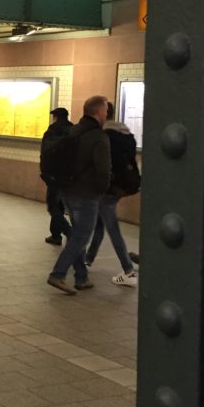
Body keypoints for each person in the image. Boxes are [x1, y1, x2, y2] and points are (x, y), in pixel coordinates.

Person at [46, 95, 111, 295]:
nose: (107, 114)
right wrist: (102, 191)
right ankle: (58, 274)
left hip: (67, 191)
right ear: (99, 112)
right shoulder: (99, 136)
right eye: (106, 111)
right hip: (86, 195)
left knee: (76, 234)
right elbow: (103, 170)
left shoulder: (73, 131)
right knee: (81, 236)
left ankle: (81, 278)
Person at [83, 101, 140, 287]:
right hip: (122, 186)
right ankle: (88, 259)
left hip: (107, 187)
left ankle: (128, 271)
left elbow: (102, 164)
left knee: (112, 228)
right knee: (100, 223)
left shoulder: (105, 135)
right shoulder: (127, 134)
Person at [40, 106, 74, 245]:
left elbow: (45, 154)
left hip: (54, 176)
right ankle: (59, 234)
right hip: (70, 175)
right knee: (67, 206)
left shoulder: (51, 131)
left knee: (53, 206)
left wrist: (45, 173)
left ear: (55, 117)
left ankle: (65, 233)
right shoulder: (74, 130)